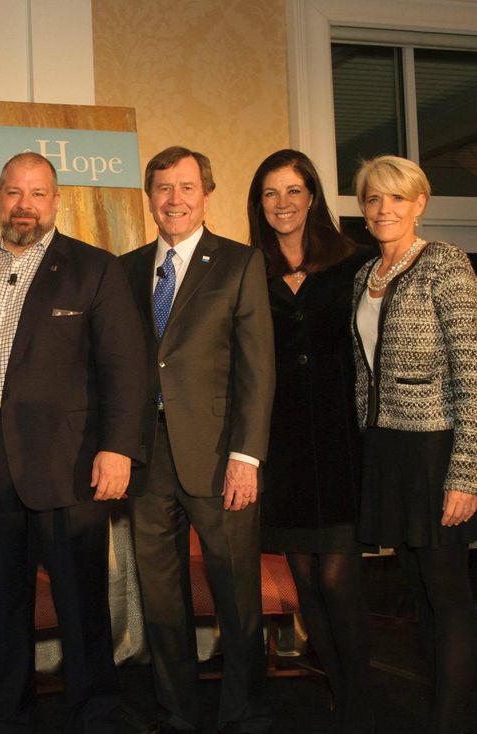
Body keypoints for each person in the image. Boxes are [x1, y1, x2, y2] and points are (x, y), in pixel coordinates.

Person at [0, 151, 147, 733]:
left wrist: (119, 448)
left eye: (36, 193)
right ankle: (9, 717)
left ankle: (96, 717)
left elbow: (126, 367)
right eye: (13, 192)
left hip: (70, 463)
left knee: (81, 607)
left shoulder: (93, 269)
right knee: (0, 609)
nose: (23, 205)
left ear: (56, 201)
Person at [120, 146, 275, 734]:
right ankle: (178, 711)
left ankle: (246, 712)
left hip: (218, 459)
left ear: (206, 193)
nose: (174, 199)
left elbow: (258, 370)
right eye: (162, 187)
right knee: (161, 601)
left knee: (236, 597)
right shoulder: (127, 267)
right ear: (150, 197)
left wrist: (246, 456)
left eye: (186, 186)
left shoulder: (239, 263)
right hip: (146, 460)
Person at [246, 149, 373, 733]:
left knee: (336, 575)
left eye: (293, 191)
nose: (283, 203)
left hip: (343, 440)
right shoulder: (249, 269)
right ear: (259, 204)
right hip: (284, 444)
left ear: (313, 197)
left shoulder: (355, 264)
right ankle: (339, 691)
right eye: (271, 193)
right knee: (304, 579)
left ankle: (360, 696)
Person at [351, 155, 476, 734]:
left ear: (420, 204)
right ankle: (436, 703)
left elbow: (471, 375)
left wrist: (466, 474)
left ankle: (453, 719)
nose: (383, 210)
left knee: (447, 593)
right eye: (373, 199)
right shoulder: (364, 275)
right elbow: (363, 371)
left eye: (396, 198)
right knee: (417, 589)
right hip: (387, 448)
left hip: (435, 448)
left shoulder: (445, 266)